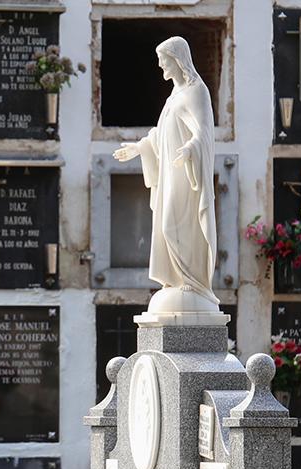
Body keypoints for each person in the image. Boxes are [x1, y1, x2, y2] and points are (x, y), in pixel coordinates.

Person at [113, 35, 220, 317]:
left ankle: (194, 282)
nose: (161, 67)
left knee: (175, 224)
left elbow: (204, 132)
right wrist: (140, 147)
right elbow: (162, 133)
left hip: (187, 173)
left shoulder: (197, 91)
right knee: (164, 225)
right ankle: (177, 279)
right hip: (170, 172)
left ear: (177, 60)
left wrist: (189, 150)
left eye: (164, 61)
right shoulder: (174, 95)